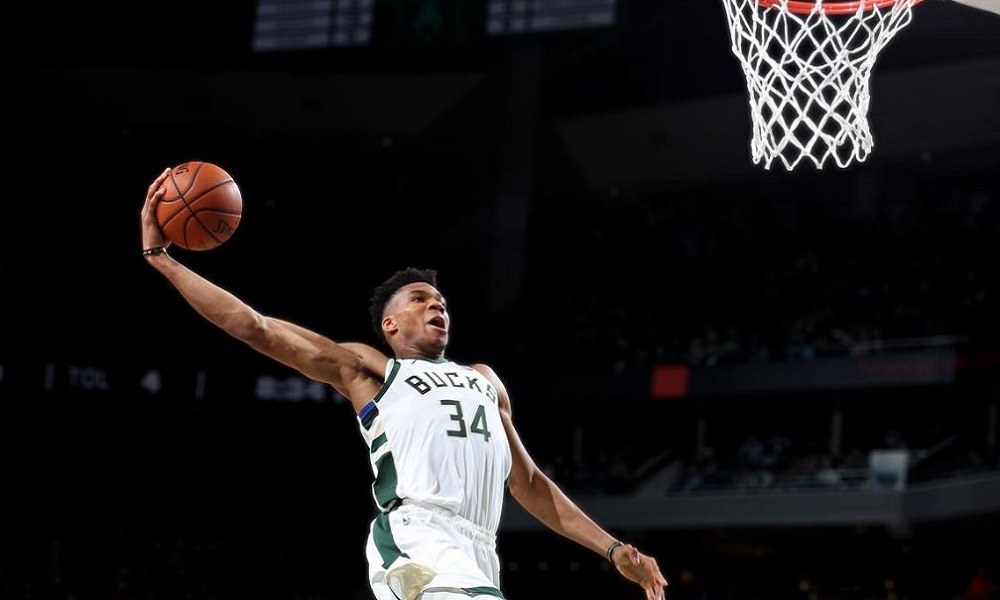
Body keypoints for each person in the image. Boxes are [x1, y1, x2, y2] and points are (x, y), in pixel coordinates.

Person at [139, 168, 669, 600]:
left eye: (440, 301)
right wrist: (161, 259)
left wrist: (612, 549)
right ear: (390, 325)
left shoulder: (484, 381)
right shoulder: (371, 370)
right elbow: (255, 327)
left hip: (478, 548)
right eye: (419, 299)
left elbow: (529, 484)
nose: (436, 305)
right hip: (417, 537)